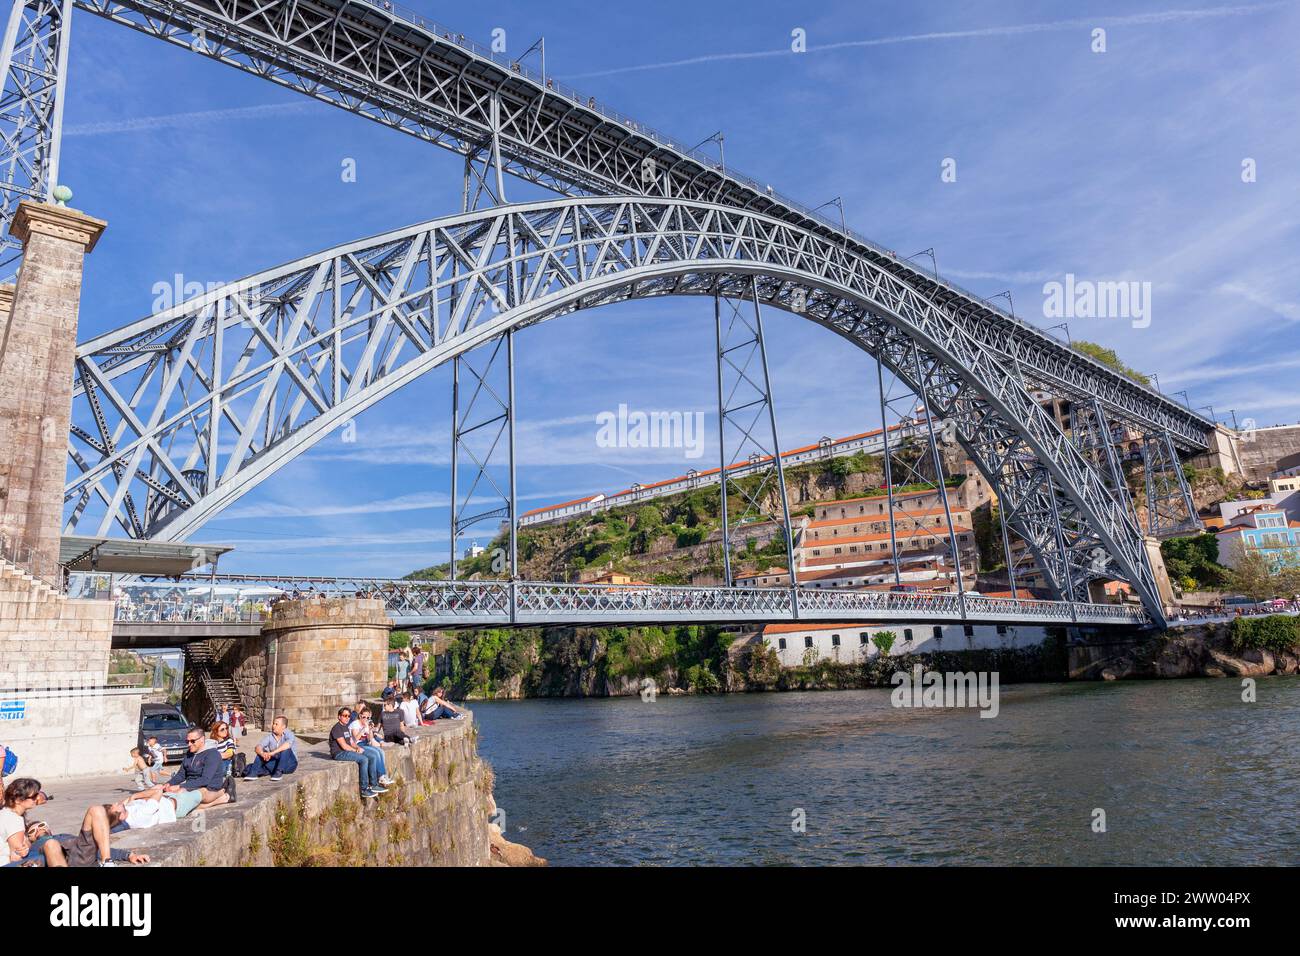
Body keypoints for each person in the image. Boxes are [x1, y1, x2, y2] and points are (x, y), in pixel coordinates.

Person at [58, 804, 151, 867]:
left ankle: (107, 862)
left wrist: (129, 855)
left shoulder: (88, 842)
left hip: (81, 858)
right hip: (74, 859)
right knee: (96, 809)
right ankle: (107, 862)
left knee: (96, 810)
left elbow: (96, 850)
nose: (115, 803)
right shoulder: (52, 841)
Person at [165, 726, 232, 810]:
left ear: (202, 739)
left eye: (192, 741)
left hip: (209, 788)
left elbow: (205, 780)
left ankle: (219, 796)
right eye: (187, 741)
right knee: (163, 794)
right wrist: (168, 784)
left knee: (179, 800)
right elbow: (181, 775)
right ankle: (219, 800)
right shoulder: (189, 753)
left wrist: (180, 786)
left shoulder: (212, 754)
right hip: (191, 786)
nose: (189, 744)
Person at [3, 778, 66, 867]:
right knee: (51, 852)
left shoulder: (6, 811)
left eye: (37, 794)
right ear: (18, 800)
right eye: (33, 797)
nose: (37, 798)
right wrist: (26, 846)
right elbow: (16, 857)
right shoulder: (14, 820)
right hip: (6, 864)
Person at [329, 708, 385, 799]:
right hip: (339, 753)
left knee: (372, 757)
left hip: (347, 750)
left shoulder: (345, 727)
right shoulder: (337, 728)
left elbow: (351, 742)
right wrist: (355, 751)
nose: (347, 718)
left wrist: (358, 747)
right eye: (344, 716)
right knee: (363, 759)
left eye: (348, 716)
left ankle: (374, 785)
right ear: (339, 717)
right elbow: (344, 746)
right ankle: (364, 789)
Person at [349, 705, 393, 786]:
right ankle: (380, 776)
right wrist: (363, 729)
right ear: (360, 716)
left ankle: (382, 775)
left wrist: (370, 730)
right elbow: (355, 739)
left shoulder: (366, 724)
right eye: (364, 717)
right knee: (375, 754)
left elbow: (370, 739)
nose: (366, 719)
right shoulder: (355, 724)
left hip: (365, 743)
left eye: (368, 717)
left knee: (381, 752)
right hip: (357, 745)